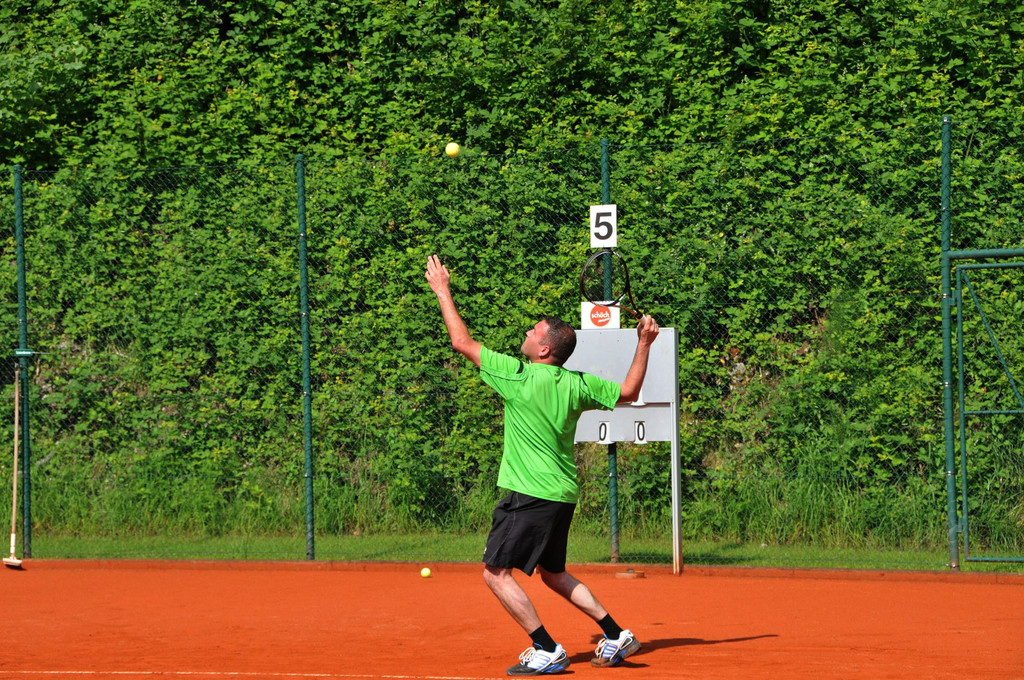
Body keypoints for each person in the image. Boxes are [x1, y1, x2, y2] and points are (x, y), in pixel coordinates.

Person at [425, 254, 660, 675]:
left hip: (530, 495)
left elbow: (461, 342)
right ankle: (615, 634)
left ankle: (547, 648)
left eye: (533, 332)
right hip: (562, 494)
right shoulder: (578, 384)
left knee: (496, 574)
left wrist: (442, 291)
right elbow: (629, 391)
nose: (527, 333)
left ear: (545, 348)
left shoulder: (518, 376)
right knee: (553, 573)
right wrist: (643, 344)